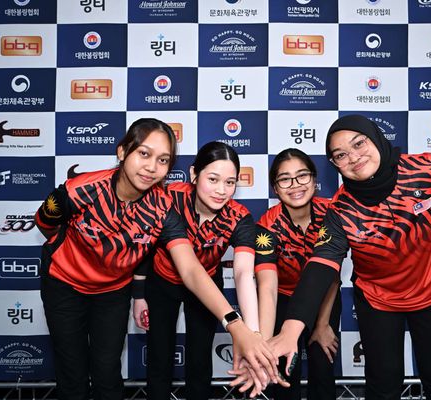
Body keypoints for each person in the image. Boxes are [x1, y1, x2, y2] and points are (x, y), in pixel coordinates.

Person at [35, 118, 277, 400]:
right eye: (144, 154)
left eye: (163, 160)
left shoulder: (163, 208)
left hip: (113, 290)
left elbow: (191, 269)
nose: (151, 167)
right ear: (122, 151)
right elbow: (46, 224)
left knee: (107, 372)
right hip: (64, 285)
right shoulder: (79, 190)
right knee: (72, 374)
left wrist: (238, 326)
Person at [235, 114, 431, 399]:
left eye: (359, 144)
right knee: (382, 390)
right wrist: (289, 332)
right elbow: (321, 266)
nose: (354, 157)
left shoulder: (426, 168)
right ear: (334, 164)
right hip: (378, 303)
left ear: (376, 139)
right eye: (340, 155)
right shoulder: (340, 210)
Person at [134, 141, 260, 400]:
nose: (221, 190)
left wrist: (253, 334)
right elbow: (143, 245)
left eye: (230, 182)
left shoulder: (239, 217)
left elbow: (243, 273)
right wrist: (138, 294)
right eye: (213, 179)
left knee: (200, 358)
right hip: (162, 281)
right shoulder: (168, 198)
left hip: (207, 287)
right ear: (194, 174)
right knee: (159, 356)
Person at [254, 149, 341, 400]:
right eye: (285, 179)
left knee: (323, 369)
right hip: (283, 300)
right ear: (275, 188)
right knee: (284, 374)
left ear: (314, 179)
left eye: (302, 176)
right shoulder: (266, 226)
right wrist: (266, 342)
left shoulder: (332, 214)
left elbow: (332, 275)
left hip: (323, 299)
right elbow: (267, 286)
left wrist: (322, 324)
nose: (295, 185)